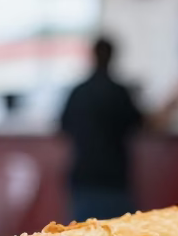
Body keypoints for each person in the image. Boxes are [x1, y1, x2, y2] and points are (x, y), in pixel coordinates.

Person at [59, 37, 143, 222]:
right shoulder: (119, 92)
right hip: (113, 177)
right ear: (113, 57)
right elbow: (140, 125)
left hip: (84, 175)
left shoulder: (78, 92)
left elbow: (63, 126)